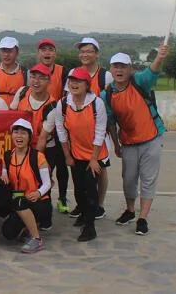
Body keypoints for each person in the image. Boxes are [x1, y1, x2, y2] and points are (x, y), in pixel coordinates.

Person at [104, 47, 168, 236]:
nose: (119, 70)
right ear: (111, 69)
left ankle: (142, 218)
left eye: (123, 66)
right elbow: (111, 122)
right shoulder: (107, 94)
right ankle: (130, 210)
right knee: (129, 179)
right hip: (128, 142)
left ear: (130, 69)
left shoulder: (139, 81)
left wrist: (159, 57)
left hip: (152, 137)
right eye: (116, 66)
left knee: (148, 179)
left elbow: (152, 70)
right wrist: (116, 144)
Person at [56, 67, 108, 242]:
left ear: (87, 85)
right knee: (78, 189)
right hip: (76, 154)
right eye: (72, 81)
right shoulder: (63, 104)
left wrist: (94, 159)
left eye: (78, 81)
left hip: (95, 155)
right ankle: (84, 214)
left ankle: (90, 227)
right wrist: (67, 156)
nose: (74, 84)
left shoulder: (96, 104)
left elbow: (100, 132)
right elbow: (61, 130)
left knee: (90, 189)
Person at [12, 63, 69, 214]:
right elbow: (11, 115)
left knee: (41, 179)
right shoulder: (22, 92)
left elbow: (43, 138)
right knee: (19, 180)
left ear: (49, 81)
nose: (36, 81)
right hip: (21, 145)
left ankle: (43, 213)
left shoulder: (53, 106)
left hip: (43, 149)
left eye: (41, 78)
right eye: (33, 77)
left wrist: (33, 161)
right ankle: (20, 211)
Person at [67, 37, 113, 220]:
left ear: (97, 54)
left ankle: (99, 205)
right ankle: (82, 204)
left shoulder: (105, 76)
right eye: (82, 51)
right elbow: (68, 100)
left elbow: (111, 103)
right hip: (78, 130)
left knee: (100, 169)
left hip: (99, 129)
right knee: (78, 171)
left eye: (89, 51)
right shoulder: (73, 73)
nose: (84, 54)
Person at [0, 119, 51, 254]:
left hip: (38, 201)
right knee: (8, 233)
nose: (19, 136)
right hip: (19, 201)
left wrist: (38, 193)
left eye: (23, 133)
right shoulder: (7, 156)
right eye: (16, 132)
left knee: (20, 202)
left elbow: (47, 183)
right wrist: (3, 175)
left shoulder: (38, 157)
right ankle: (27, 228)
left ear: (29, 137)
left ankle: (36, 239)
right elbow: (4, 169)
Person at [0, 36, 27, 105]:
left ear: (17, 53)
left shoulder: (27, 74)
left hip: (17, 111)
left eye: (10, 51)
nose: (6, 54)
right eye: (3, 51)